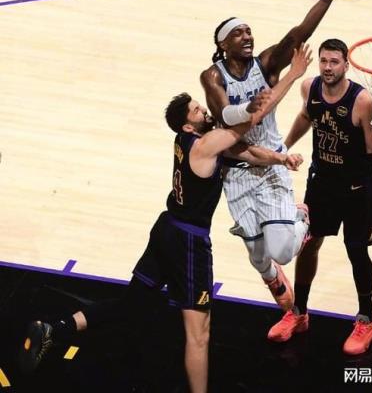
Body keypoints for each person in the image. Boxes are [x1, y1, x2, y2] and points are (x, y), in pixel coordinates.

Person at [18, 45, 310, 393]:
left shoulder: (189, 141)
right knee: (199, 335)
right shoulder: (205, 145)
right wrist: (293, 74)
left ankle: (57, 328)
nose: (205, 111)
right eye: (198, 110)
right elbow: (255, 116)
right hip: (188, 242)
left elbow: (245, 151)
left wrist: (280, 159)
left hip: (166, 228)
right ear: (188, 124)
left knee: (132, 303)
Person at [200, 0, 346, 313]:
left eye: (249, 30)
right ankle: (271, 278)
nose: (247, 36)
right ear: (223, 44)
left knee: (282, 250)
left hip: (271, 163)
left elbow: (300, 31)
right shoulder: (212, 76)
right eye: (238, 33)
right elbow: (225, 116)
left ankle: (301, 216)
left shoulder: (265, 64)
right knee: (258, 254)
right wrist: (248, 109)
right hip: (237, 168)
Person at [267, 39, 372, 356]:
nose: (328, 67)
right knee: (309, 244)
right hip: (322, 182)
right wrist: (282, 150)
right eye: (324, 61)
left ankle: (367, 320)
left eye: (334, 62)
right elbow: (306, 116)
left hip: (357, 188)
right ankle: (298, 313)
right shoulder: (309, 87)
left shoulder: (362, 101)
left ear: (346, 65)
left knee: (356, 251)